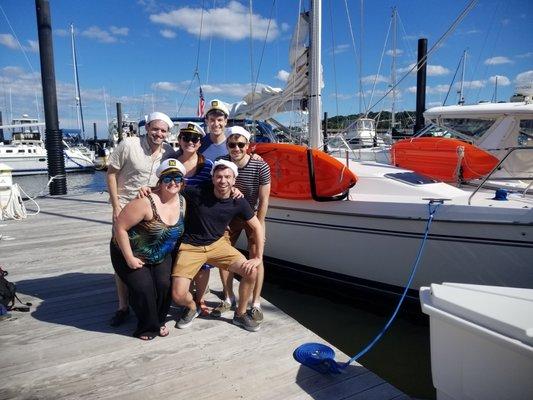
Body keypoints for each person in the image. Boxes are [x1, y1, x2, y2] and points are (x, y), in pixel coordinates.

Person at [171, 160, 264, 332]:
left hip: (218, 244)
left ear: (234, 180)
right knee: (177, 295)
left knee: (251, 272)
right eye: (219, 177)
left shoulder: (239, 201)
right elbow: (172, 187)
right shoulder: (197, 192)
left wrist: (258, 257)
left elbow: (257, 226)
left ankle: (240, 314)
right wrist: (149, 190)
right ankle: (192, 306)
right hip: (191, 246)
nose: (223, 181)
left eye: (228, 177)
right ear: (212, 178)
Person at [106, 111, 174, 327]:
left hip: (151, 211)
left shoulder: (168, 151)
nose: (158, 134)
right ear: (147, 128)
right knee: (122, 253)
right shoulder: (129, 145)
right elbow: (110, 173)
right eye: (155, 129)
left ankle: (145, 299)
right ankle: (122, 306)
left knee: (145, 252)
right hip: (125, 207)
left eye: (163, 130)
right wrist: (116, 205)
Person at [111, 158, 186, 340]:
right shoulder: (145, 202)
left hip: (160, 253)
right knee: (144, 288)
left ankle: (159, 320)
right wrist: (129, 257)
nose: (173, 182)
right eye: (167, 179)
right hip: (129, 251)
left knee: (164, 284)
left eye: (177, 178)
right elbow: (120, 227)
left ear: (183, 183)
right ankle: (146, 327)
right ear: (160, 182)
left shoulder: (183, 202)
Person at [210, 126, 270, 325]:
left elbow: (264, 199)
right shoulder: (224, 164)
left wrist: (258, 227)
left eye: (240, 144)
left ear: (248, 145)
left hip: (253, 215)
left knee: (256, 258)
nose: (236, 148)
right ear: (227, 145)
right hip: (230, 216)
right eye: (232, 144)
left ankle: (256, 303)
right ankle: (229, 297)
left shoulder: (260, 165)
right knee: (223, 255)